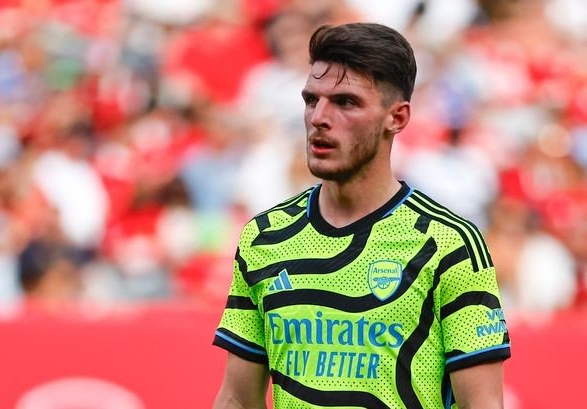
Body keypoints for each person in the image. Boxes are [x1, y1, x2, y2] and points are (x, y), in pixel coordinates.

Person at [212, 22, 510, 409]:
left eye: (346, 102)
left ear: (397, 118)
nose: (319, 117)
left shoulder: (449, 244)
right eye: (311, 100)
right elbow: (236, 399)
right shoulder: (265, 236)